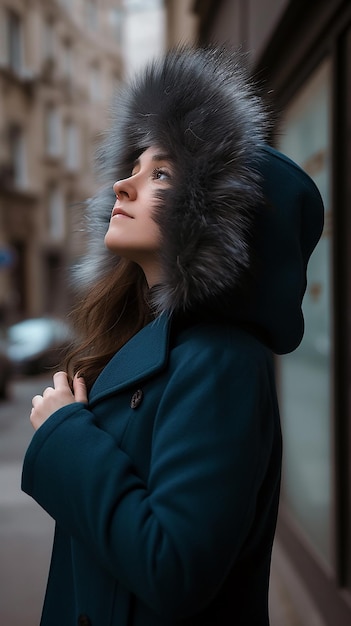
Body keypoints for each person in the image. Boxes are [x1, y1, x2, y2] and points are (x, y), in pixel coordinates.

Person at [22, 46, 324, 626]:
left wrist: (64, 436)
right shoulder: (160, 342)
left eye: (160, 174)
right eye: (135, 166)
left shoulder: (220, 360)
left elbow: (173, 567)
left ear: (219, 218)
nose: (123, 185)